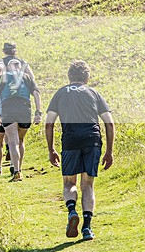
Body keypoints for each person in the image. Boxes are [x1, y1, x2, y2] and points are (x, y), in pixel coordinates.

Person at [46, 61, 114, 241]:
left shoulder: (60, 93)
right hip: (92, 140)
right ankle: (87, 228)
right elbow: (109, 122)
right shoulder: (94, 93)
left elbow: (49, 123)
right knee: (88, 185)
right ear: (87, 77)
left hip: (70, 140)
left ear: (69, 76)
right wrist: (109, 151)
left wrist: (51, 148)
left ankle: (71, 211)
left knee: (69, 183)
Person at [0, 58, 42, 182]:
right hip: (25, 109)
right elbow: (37, 94)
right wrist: (38, 112)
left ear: (8, 67)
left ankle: (17, 171)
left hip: (9, 109)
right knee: (21, 140)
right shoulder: (28, 77)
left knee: (13, 141)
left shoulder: (2, 77)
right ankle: (20, 168)